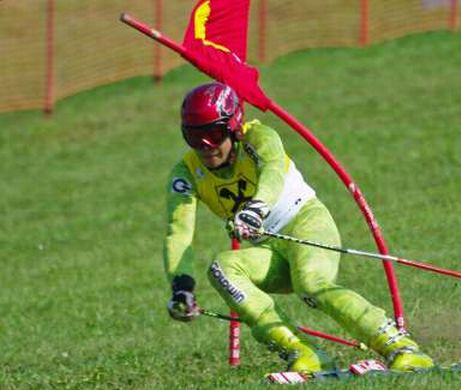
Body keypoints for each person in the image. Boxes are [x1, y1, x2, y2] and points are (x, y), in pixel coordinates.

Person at [164, 81, 434, 374]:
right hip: (270, 250)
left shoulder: (259, 137)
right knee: (222, 269)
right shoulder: (187, 172)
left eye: (213, 134)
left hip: (305, 223)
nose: (206, 147)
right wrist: (182, 287)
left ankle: (400, 346)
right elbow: (179, 231)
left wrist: (257, 208)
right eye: (194, 137)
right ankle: (303, 353)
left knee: (311, 284)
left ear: (233, 126)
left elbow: (273, 171)